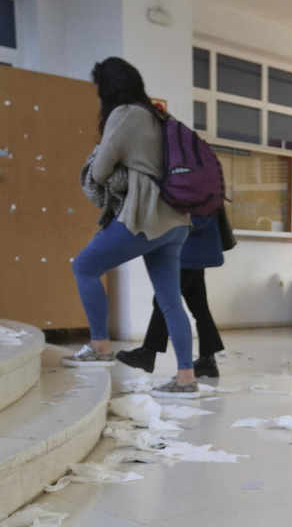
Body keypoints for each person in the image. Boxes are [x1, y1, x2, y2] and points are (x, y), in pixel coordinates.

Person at [65, 58, 196, 396]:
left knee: (84, 266)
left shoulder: (124, 115)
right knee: (170, 301)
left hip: (145, 217)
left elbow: (98, 171)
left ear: (108, 88)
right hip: (176, 221)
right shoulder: (157, 116)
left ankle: (99, 346)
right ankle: (186, 377)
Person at [116, 207, 232, 378]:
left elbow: (200, 217)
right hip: (194, 250)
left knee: (165, 299)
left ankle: (148, 353)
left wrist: (170, 227)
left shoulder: (200, 183)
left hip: (189, 252)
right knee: (199, 307)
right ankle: (208, 360)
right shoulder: (205, 182)